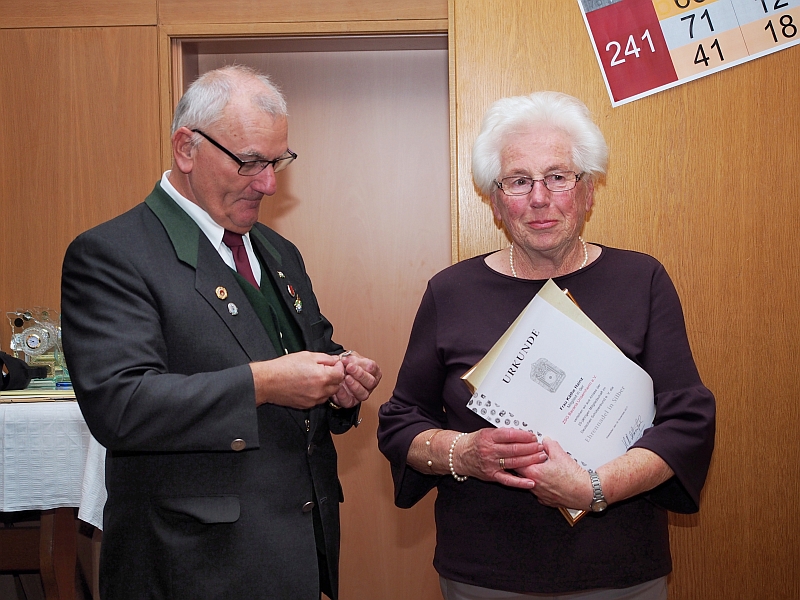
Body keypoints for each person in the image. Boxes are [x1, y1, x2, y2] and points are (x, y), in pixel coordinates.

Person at [377, 91, 715, 600]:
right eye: (518, 181)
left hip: (620, 570)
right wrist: (463, 453)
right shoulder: (450, 292)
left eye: (558, 177)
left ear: (588, 191)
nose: (539, 198)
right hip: (484, 574)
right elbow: (400, 422)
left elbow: (688, 420)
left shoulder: (642, 280)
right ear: (495, 201)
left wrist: (593, 488)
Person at [61, 65, 381, 600]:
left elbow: (306, 350)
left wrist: (340, 381)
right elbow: (120, 405)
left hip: (293, 556)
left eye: (277, 161)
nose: (269, 183)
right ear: (186, 148)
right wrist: (264, 383)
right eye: (250, 162)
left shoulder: (277, 251)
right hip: (193, 566)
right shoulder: (112, 254)